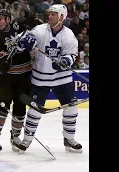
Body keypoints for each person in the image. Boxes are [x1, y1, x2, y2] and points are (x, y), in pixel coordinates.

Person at [17, 4, 83, 153]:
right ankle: (26, 140)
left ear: (61, 17)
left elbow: (72, 55)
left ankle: (69, 139)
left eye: (53, 14)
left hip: (62, 78)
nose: (50, 17)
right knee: (34, 110)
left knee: (71, 108)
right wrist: (24, 44)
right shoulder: (39, 30)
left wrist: (65, 61)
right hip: (41, 78)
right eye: (49, 14)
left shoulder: (69, 35)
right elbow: (22, 43)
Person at [0, 9, 36, 155]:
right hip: (6, 78)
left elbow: (33, 26)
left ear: (8, 19)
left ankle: (15, 136)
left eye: (1, 19)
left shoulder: (19, 28)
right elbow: (1, 61)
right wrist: (7, 57)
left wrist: (29, 31)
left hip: (24, 76)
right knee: (2, 107)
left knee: (21, 107)